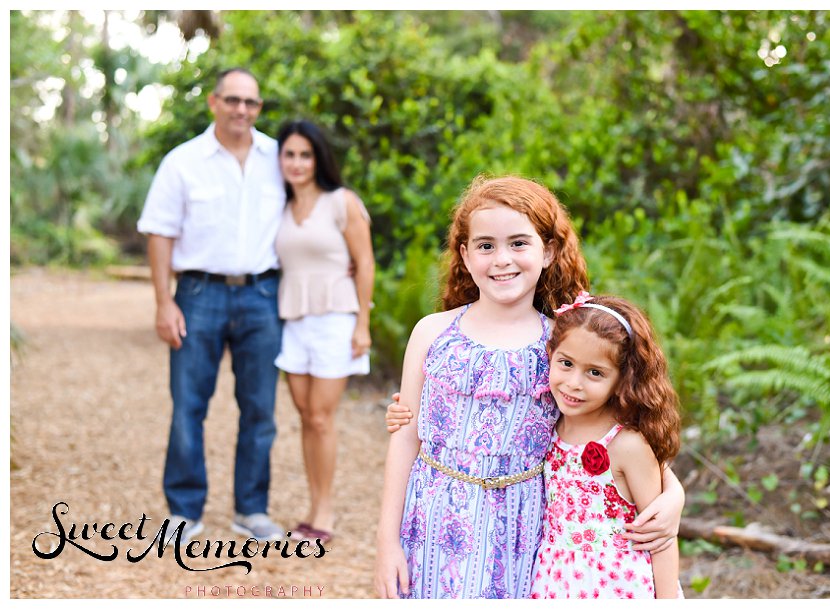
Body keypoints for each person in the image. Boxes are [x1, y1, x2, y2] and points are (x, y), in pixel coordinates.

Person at [371, 176, 684, 599]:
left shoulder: (562, 346)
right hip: (432, 518)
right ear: (464, 255)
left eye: (519, 243)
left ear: (548, 250)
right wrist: (386, 543)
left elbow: (616, 427)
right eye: (486, 246)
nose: (502, 259)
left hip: (523, 528)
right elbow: (405, 436)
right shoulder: (432, 333)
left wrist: (674, 492)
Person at [137, 67, 287, 543]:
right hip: (198, 295)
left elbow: (310, 215)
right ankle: (184, 511)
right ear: (213, 102)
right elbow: (159, 233)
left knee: (260, 409)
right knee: (188, 407)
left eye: (252, 102)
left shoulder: (277, 159)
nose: (242, 109)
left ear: (259, 108)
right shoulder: (182, 162)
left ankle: (251, 509)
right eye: (233, 100)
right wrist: (164, 302)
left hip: (264, 295)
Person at [528, 293, 682, 599]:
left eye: (595, 373)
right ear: (551, 354)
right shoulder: (549, 421)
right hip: (556, 583)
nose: (574, 383)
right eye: (566, 363)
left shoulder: (626, 444)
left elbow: (660, 535)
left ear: (622, 379)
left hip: (617, 586)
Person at [271, 119, 374, 544]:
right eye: (289, 154)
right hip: (293, 320)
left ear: (319, 159)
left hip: (336, 318)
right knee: (304, 416)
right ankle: (312, 505)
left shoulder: (341, 202)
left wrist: (363, 324)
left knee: (321, 416)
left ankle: (324, 513)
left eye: (305, 155)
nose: (296, 163)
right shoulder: (278, 206)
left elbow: (365, 262)